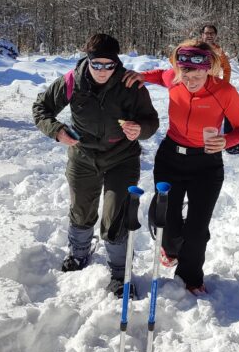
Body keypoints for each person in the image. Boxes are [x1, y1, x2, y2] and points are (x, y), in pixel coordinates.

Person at [33, 33, 159, 297]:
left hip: (121, 159)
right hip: (83, 156)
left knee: (116, 216)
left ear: (116, 63)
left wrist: (141, 129)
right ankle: (79, 254)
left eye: (109, 65)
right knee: (81, 208)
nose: (102, 71)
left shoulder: (130, 85)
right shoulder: (71, 81)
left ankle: (119, 273)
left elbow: (151, 121)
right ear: (87, 61)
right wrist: (56, 130)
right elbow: (41, 108)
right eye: (97, 64)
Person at [124, 40, 239, 295]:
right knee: (168, 227)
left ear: (209, 69)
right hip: (170, 158)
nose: (190, 81)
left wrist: (226, 140)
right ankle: (169, 249)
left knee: (196, 229)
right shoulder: (175, 77)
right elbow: (161, 75)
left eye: (197, 75)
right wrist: (142, 76)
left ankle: (191, 278)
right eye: (185, 74)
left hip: (206, 164)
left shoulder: (225, 92)